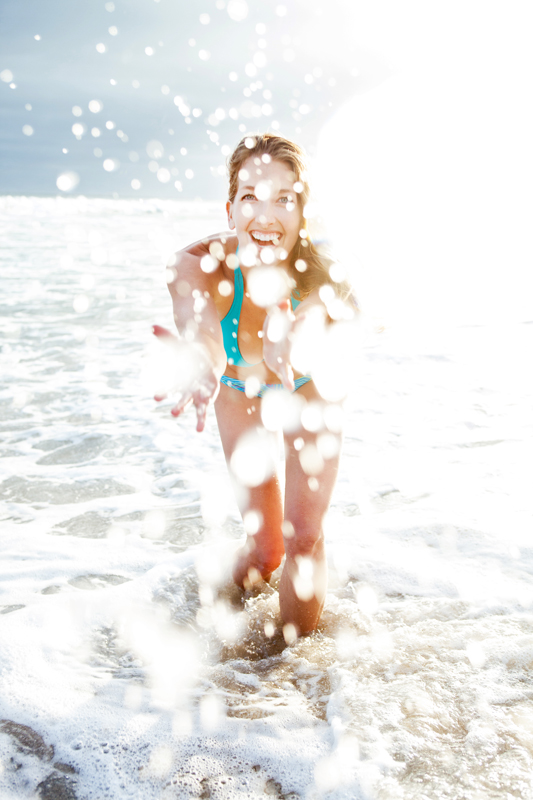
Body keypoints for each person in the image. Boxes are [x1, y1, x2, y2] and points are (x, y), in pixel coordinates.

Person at [154, 133, 356, 637]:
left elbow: (322, 317)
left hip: (311, 381)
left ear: (302, 211)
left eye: (284, 199)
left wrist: (295, 341)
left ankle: (291, 673)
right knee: (267, 547)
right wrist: (201, 360)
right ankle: (210, 622)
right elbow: (201, 329)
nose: (266, 215)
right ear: (230, 209)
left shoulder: (323, 268)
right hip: (237, 384)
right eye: (251, 196)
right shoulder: (194, 264)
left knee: (304, 538)